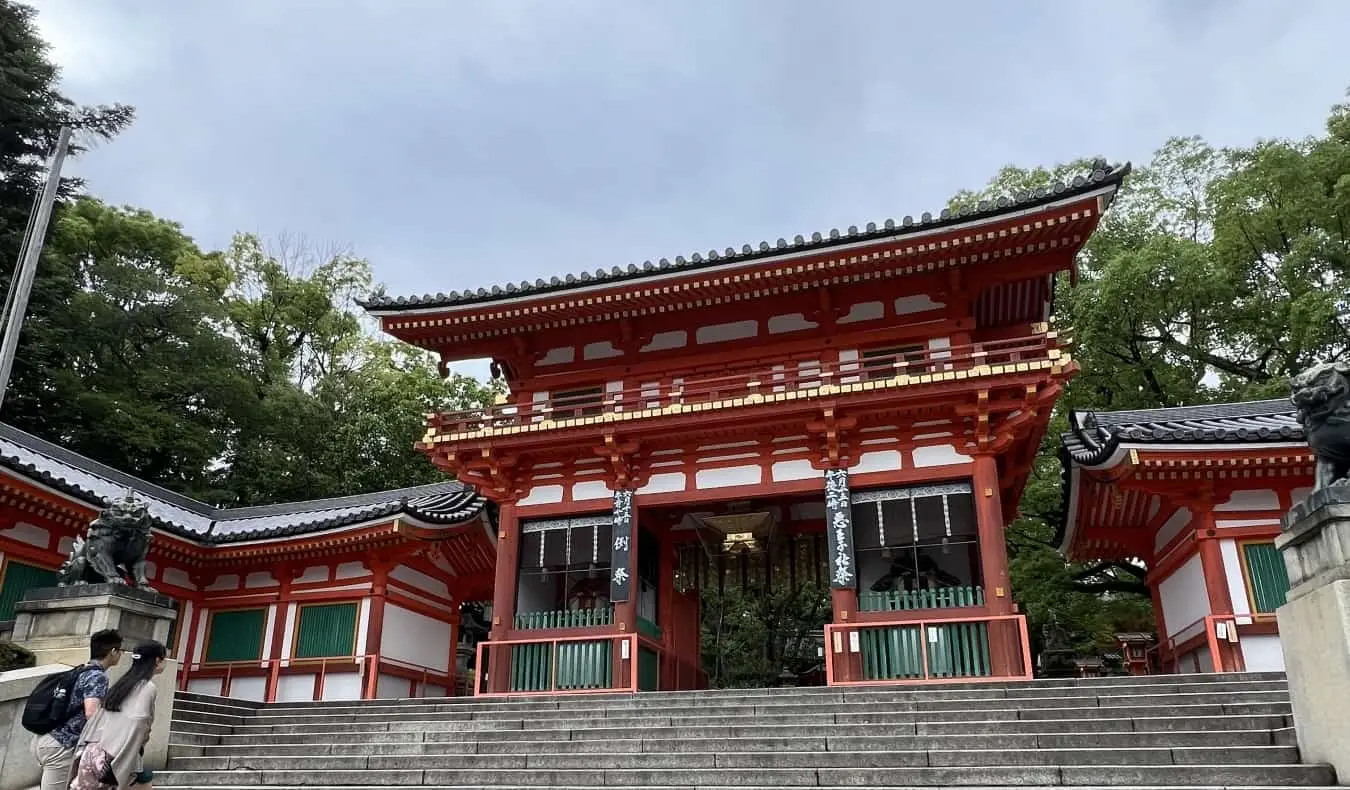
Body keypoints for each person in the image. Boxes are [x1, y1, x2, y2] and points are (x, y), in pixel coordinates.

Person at [29, 629, 123, 790]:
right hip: (61, 745)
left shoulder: (81, 670)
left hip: (45, 738)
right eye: (120, 650)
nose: (121, 654)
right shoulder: (98, 676)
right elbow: (91, 713)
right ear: (113, 652)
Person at [70, 639, 166, 790]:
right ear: (157, 660)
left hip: (95, 752)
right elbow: (138, 722)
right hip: (117, 758)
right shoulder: (147, 687)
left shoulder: (122, 684)